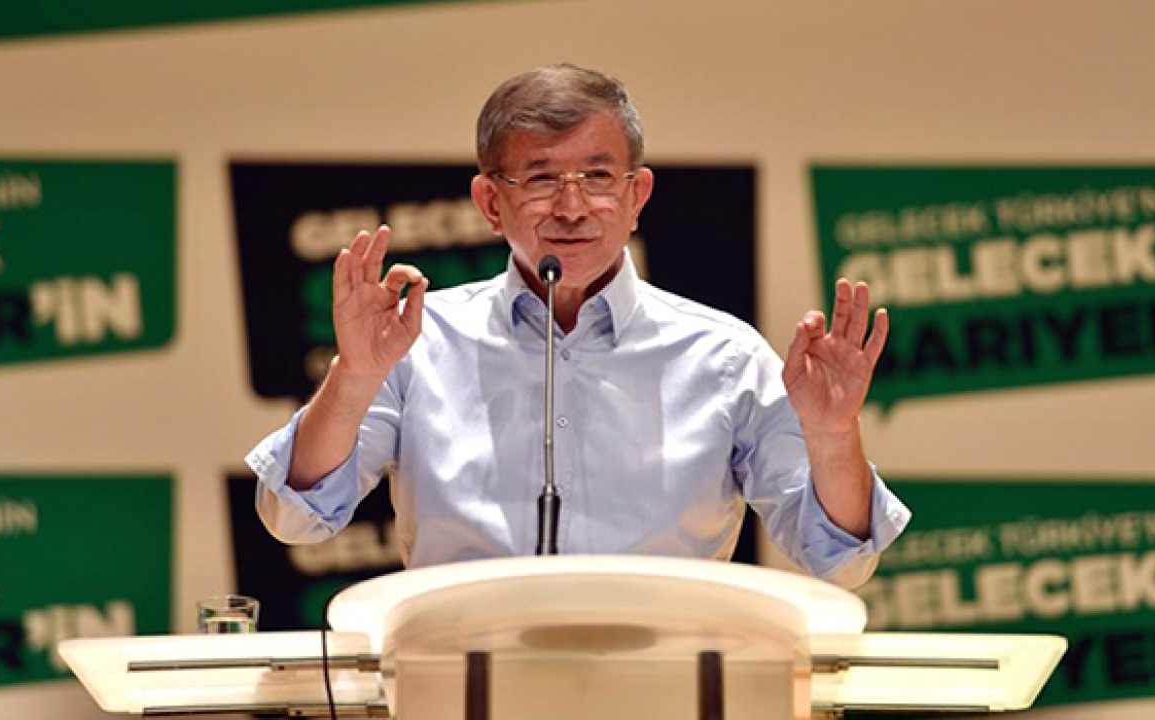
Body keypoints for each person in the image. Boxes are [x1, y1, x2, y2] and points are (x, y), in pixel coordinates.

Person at [247, 64, 909, 588]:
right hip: (462, 678)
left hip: (665, 684)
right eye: (540, 179)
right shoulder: (418, 341)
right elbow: (294, 519)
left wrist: (833, 434)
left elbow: (841, 560)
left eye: (597, 176)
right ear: (490, 202)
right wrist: (354, 376)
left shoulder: (725, 355)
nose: (572, 207)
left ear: (636, 196)